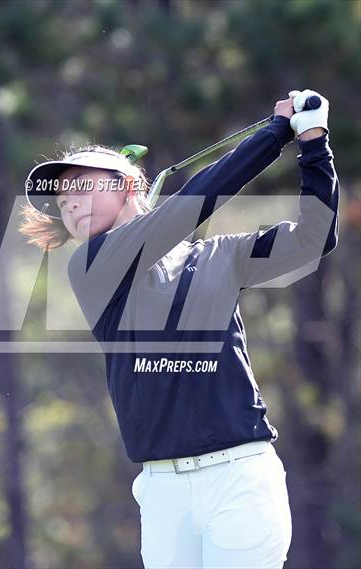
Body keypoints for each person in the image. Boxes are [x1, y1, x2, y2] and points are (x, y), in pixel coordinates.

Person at [21, 89, 339, 568]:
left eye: (83, 190)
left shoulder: (218, 257)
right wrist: (276, 132)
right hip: (163, 491)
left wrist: (314, 144)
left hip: (241, 476)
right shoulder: (91, 266)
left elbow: (314, 240)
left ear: (127, 186)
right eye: (64, 203)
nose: (71, 207)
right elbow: (191, 206)